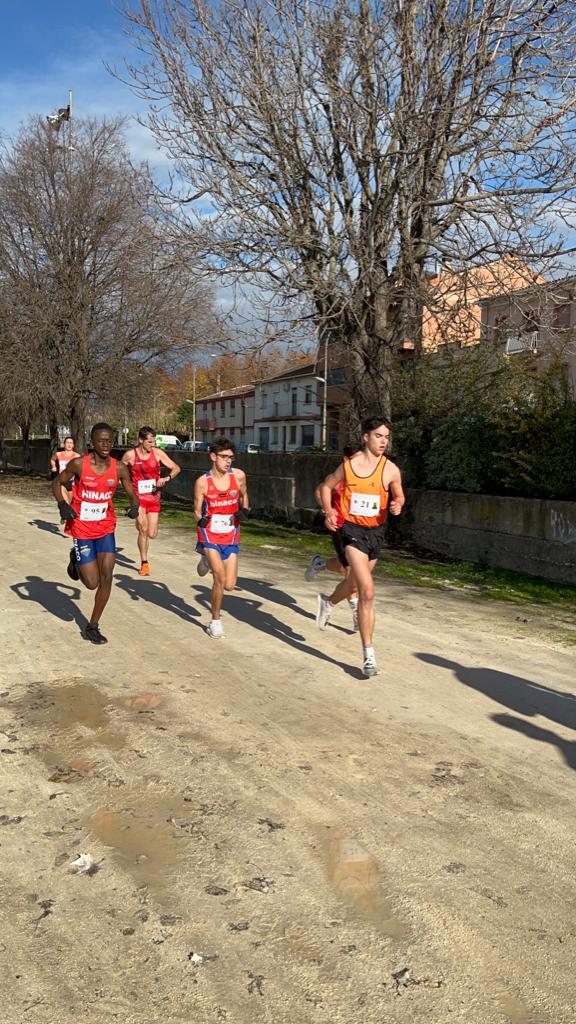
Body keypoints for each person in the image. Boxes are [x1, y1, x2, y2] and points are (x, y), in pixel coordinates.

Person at [316, 418, 405, 678]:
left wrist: (398, 504)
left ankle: (328, 602)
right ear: (366, 437)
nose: (384, 441)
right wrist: (329, 510)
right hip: (352, 532)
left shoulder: (391, 470)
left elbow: (399, 494)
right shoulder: (349, 466)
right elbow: (326, 486)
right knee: (366, 590)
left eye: (386, 437)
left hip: (376, 533)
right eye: (379, 436)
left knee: (353, 585)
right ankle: (368, 655)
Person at [52, 423, 139, 644]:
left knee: (107, 576)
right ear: (92, 442)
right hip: (82, 527)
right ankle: (76, 558)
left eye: (109, 440)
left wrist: (135, 506)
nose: (106, 445)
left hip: (105, 526)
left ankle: (92, 626)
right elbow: (57, 482)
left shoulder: (119, 468)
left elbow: (131, 492)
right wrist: (63, 504)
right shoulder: (79, 464)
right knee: (91, 583)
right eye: (101, 440)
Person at [194, 437, 249, 638]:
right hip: (209, 533)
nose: (228, 461)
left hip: (231, 533)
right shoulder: (202, 482)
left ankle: (205, 561)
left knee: (230, 585)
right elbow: (196, 510)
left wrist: (244, 510)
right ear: (213, 456)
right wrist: (200, 519)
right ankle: (215, 621)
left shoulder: (239, 476)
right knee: (219, 577)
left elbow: (244, 496)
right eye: (224, 457)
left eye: (231, 458)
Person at [304, 446, 359, 631]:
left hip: (362, 530)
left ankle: (320, 565)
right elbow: (320, 490)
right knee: (354, 574)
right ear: (346, 459)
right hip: (341, 528)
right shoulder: (338, 478)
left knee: (348, 571)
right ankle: (354, 611)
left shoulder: (366, 477)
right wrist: (328, 510)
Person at [121, 426, 181, 576]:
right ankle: (144, 563)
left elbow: (176, 468)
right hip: (138, 497)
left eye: (154, 442)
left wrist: (166, 478)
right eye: (149, 442)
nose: (152, 445)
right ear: (141, 440)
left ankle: (141, 524)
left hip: (154, 497)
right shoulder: (130, 455)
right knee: (143, 529)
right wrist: (128, 491)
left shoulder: (158, 453)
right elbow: (119, 471)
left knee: (152, 534)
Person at [50, 436, 80, 513]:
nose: (69, 445)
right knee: (65, 501)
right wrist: (54, 467)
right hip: (62, 481)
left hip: (72, 482)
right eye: (67, 443)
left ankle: (64, 514)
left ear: (73, 445)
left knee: (69, 504)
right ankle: (63, 513)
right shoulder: (59, 454)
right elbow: (52, 460)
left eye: (71, 443)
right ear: (64, 444)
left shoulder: (77, 456)